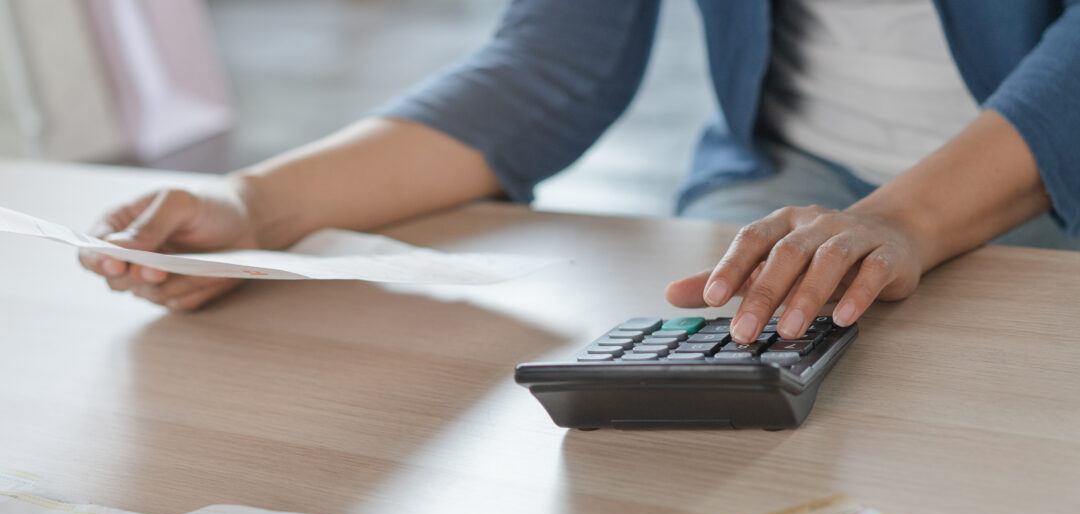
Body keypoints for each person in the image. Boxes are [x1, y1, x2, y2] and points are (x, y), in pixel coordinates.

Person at [80, 0, 1080, 345]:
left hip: (1039, 177)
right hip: (790, 181)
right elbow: (555, 60)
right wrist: (256, 204)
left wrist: (903, 221)